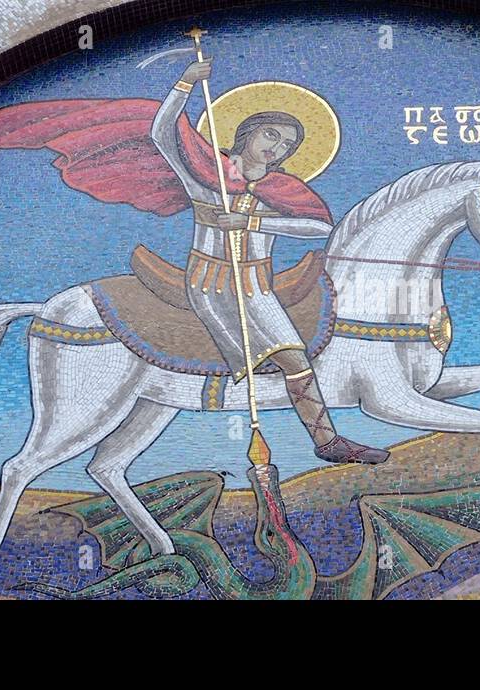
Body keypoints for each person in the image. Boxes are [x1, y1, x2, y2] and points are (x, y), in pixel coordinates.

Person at [150, 58, 388, 464]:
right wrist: (185, 84)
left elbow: (317, 228)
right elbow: (161, 133)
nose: (275, 148)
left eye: (285, 146)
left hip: (257, 283)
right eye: (270, 135)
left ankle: (326, 441)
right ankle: (327, 442)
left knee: (296, 356)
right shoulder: (206, 173)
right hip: (213, 281)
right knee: (293, 355)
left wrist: (252, 221)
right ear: (247, 133)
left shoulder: (284, 189)